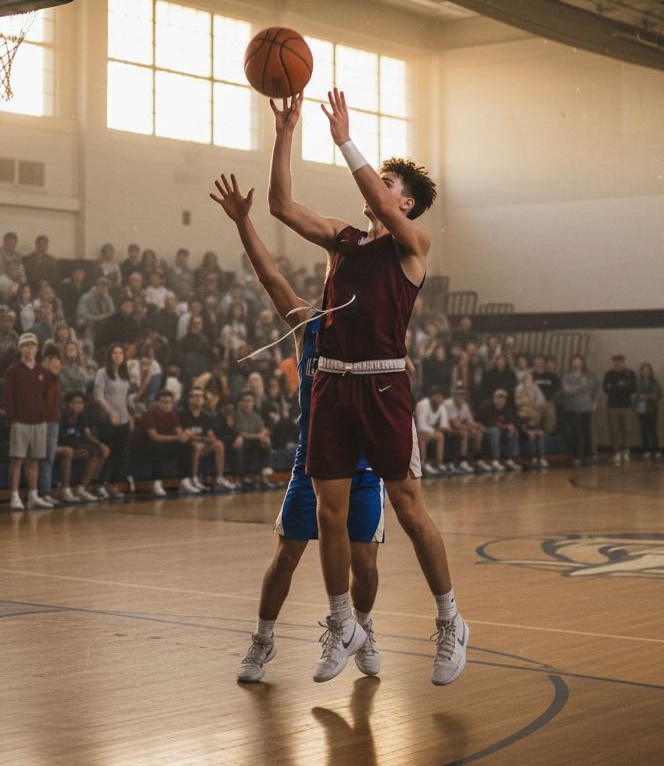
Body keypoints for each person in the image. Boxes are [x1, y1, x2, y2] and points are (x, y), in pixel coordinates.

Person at [269, 91, 466, 685]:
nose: (377, 187)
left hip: (382, 385)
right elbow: (280, 206)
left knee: (408, 507)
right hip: (332, 383)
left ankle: (451, 619)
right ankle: (341, 623)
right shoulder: (344, 239)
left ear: (406, 203)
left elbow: (378, 200)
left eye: (387, 183)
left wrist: (344, 140)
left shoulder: (413, 246)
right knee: (329, 513)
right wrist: (286, 132)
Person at [211, 173, 385, 683]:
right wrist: (243, 223)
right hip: (313, 460)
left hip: (363, 463)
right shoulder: (308, 324)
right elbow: (269, 275)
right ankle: (262, 640)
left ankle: (362, 628)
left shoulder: (374, 335)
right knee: (286, 554)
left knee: (365, 564)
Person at [3, 333, 54, 509]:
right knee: (17, 459)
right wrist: (12, 418)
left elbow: (46, 396)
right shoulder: (13, 370)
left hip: (39, 421)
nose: (29, 348)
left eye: (32, 345)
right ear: (20, 348)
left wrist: (44, 415)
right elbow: (8, 397)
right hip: (20, 421)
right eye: (26, 345)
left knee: (35, 460)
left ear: (37, 349)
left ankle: (33, 495)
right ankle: (14, 495)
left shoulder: (43, 372)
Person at [137, 389, 197, 497]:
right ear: (156, 402)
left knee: (186, 446)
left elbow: (178, 430)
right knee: (157, 447)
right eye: (163, 402)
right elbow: (154, 437)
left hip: (164, 444)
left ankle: (185, 480)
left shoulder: (172, 414)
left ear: (172, 403)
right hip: (143, 447)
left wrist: (185, 435)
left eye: (168, 402)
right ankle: (156, 482)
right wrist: (178, 437)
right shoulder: (149, 414)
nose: (166, 405)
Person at [92, 343, 131, 494]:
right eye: (115, 353)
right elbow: (98, 396)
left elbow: (124, 398)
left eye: (120, 353)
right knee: (107, 452)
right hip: (108, 418)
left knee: (119, 453)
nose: (118, 355)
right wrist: (110, 413)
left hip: (123, 418)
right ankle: (100, 484)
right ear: (109, 355)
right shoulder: (102, 373)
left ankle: (113, 484)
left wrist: (129, 414)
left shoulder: (124, 373)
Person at [179, 387, 234, 492]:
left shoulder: (206, 416)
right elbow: (184, 436)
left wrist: (204, 439)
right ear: (189, 399)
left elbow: (211, 437)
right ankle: (193, 479)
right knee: (196, 445)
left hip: (201, 445)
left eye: (201, 396)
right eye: (195, 396)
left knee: (219, 444)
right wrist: (201, 439)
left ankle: (219, 479)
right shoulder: (182, 414)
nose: (198, 398)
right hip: (185, 447)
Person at [56, 392, 107, 503]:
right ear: (67, 404)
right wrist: (79, 448)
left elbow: (88, 435)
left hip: (75, 446)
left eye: (80, 403)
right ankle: (65, 491)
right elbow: (60, 438)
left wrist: (99, 444)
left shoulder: (82, 417)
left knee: (94, 451)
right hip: (59, 447)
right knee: (69, 452)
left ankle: (82, 488)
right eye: (74, 402)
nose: (78, 405)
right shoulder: (62, 416)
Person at [33, 345, 64, 504]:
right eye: (51, 359)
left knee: (49, 458)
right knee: (37, 457)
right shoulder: (40, 376)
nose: (55, 363)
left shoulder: (57, 379)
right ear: (44, 361)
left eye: (57, 360)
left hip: (54, 421)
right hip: (40, 421)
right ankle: (34, 493)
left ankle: (45, 492)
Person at [560, 355, 597, 467]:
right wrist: (580, 387)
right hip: (572, 408)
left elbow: (590, 388)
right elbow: (566, 390)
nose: (576, 364)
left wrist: (574, 388)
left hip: (585, 408)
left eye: (578, 361)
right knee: (575, 433)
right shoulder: (567, 377)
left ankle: (588, 455)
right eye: (574, 362)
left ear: (582, 363)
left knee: (586, 432)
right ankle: (576, 456)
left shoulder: (588, 376)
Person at [477, 388, 522, 471]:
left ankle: (510, 459)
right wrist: (506, 426)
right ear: (494, 398)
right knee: (495, 431)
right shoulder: (487, 406)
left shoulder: (507, 407)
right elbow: (490, 423)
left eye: (503, 398)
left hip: (499, 429)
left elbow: (512, 420)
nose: (501, 400)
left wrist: (511, 426)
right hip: (483, 429)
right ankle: (495, 460)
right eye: (498, 398)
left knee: (514, 431)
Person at [603, 353, 636, 464]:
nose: (618, 363)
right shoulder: (609, 374)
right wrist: (619, 385)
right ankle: (616, 451)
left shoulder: (630, 373)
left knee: (627, 430)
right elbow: (606, 388)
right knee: (614, 430)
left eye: (620, 361)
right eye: (616, 361)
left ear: (623, 362)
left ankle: (626, 451)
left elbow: (633, 388)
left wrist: (623, 385)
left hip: (626, 406)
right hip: (612, 406)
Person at [514, 373, 549, 468]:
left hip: (532, 420)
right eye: (526, 378)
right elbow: (519, 403)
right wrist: (528, 431)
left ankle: (541, 458)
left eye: (530, 379)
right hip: (523, 428)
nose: (528, 380)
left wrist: (537, 430)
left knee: (540, 434)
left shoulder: (535, 388)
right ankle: (529, 459)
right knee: (530, 436)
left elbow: (541, 401)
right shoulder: (519, 390)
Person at [415, 387, 450, 475]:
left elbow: (444, 424)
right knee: (423, 436)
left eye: (441, 396)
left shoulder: (441, 406)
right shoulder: (423, 404)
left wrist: (436, 430)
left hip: (429, 431)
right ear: (431, 396)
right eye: (437, 396)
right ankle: (422, 464)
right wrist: (435, 431)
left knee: (440, 436)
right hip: (414, 430)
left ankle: (438, 463)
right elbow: (420, 425)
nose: (439, 398)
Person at [635, 362, 661, 460]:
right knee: (643, 429)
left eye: (647, 371)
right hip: (641, 406)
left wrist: (647, 396)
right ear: (641, 372)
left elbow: (657, 395)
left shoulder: (654, 382)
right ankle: (646, 450)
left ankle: (656, 450)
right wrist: (643, 397)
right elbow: (637, 395)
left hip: (652, 406)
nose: (645, 372)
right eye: (644, 371)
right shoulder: (639, 382)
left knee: (653, 429)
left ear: (650, 372)